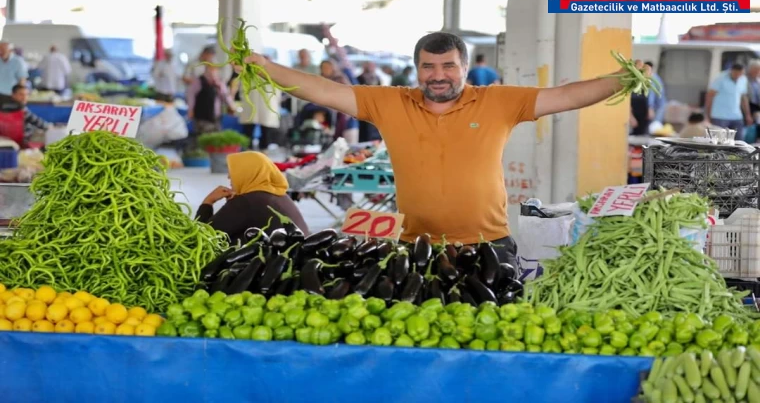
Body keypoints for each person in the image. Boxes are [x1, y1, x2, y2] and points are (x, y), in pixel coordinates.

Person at [238, 31, 652, 268]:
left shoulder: (499, 102)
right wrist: (266, 68)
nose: (438, 76)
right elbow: (326, 90)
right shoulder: (390, 102)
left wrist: (622, 80)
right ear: (417, 68)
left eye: (448, 66)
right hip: (417, 246)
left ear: (465, 68)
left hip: (489, 244)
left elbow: (566, 96)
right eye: (429, 67)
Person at [196, 151, 309, 242]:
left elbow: (203, 237)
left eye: (234, 172)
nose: (229, 176)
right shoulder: (277, 194)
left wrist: (208, 201)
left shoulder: (246, 201)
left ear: (247, 173)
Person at [231, 56, 282, 150]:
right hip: (251, 105)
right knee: (248, 131)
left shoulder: (273, 74)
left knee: (266, 132)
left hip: (266, 106)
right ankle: (248, 154)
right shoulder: (248, 71)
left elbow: (278, 91)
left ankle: (263, 154)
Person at [704, 63, 752, 141]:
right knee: (719, 141)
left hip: (737, 116)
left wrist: (747, 115)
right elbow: (709, 96)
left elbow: (744, 98)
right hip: (720, 116)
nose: (738, 76)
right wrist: (707, 114)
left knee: (739, 141)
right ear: (731, 71)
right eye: (736, 74)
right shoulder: (720, 78)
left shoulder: (743, 79)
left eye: (740, 74)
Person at [186, 66, 236, 134]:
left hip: (216, 118)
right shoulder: (198, 81)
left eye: (215, 74)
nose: (213, 76)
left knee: (216, 138)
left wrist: (231, 106)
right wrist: (190, 110)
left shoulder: (219, 84)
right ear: (206, 73)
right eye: (211, 74)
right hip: (202, 117)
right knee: (204, 137)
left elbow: (226, 97)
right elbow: (190, 96)